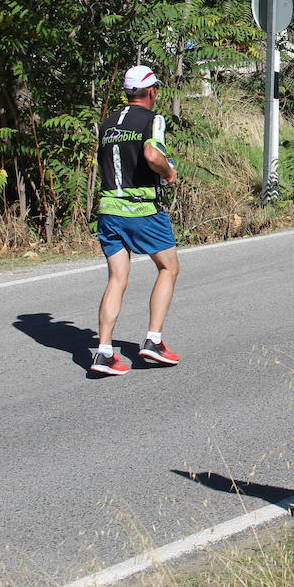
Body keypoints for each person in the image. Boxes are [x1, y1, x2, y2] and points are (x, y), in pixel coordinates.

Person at [91, 65, 182, 375]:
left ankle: (103, 351)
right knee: (169, 267)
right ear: (152, 91)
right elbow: (152, 156)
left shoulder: (107, 123)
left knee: (117, 279)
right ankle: (153, 341)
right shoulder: (153, 120)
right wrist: (168, 172)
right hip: (142, 209)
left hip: (108, 211)